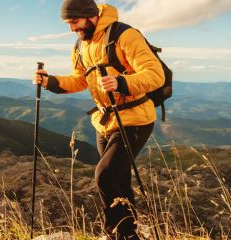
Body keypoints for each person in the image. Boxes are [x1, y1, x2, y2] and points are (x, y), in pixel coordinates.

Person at [33, 0, 165, 239]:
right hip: (105, 120)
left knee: (104, 175)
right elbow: (79, 79)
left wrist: (122, 82)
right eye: (68, 23)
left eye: (74, 22)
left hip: (135, 118)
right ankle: (128, 233)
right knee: (119, 180)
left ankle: (114, 233)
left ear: (89, 15)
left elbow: (155, 75)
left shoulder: (124, 35)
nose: (71, 28)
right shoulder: (81, 45)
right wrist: (50, 82)